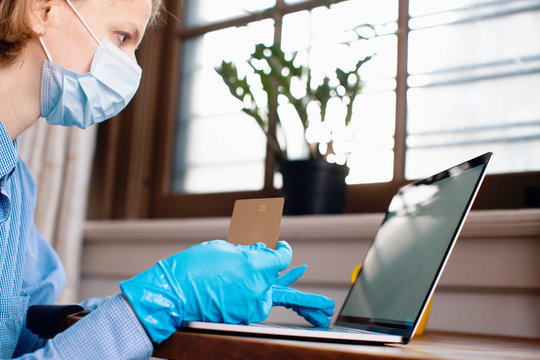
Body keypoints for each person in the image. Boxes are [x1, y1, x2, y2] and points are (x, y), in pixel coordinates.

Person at [0, 0, 335, 358]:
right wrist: (161, 300)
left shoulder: (17, 184)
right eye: (123, 37)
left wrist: (181, 306)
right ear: (42, 10)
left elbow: (25, 333)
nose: (131, 66)